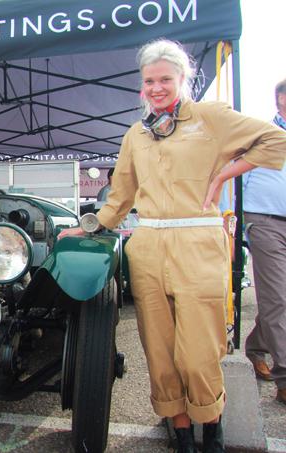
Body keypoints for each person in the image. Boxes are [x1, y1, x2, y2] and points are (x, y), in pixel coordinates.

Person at [58, 40, 286, 452]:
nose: (157, 87)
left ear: (183, 78)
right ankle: (181, 432)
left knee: (199, 354)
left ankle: (211, 429)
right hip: (148, 248)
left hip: (198, 244)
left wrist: (226, 174)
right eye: (149, 81)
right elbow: (120, 195)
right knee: (160, 353)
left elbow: (276, 141)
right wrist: (89, 226)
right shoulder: (136, 134)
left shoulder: (211, 118)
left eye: (165, 79)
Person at [243, 77, 286, 405]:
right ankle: (284, 377)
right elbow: (236, 177)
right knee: (277, 298)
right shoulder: (261, 135)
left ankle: (257, 346)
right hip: (265, 220)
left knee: (279, 299)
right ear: (279, 101)